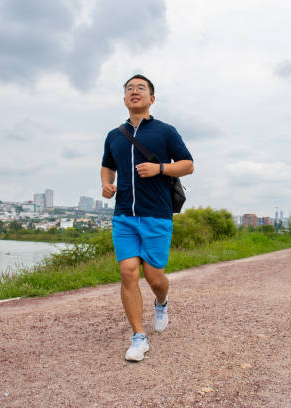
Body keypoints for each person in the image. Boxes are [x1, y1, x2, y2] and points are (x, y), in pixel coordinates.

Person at [101, 74, 194, 362]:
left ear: (151, 98)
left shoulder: (165, 131)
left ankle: (162, 302)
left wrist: (160, 169)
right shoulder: (114, 135)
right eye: (129, 89)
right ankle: (138, 337)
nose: (134, 91)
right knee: (128, 271)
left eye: (141, 88)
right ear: (124, 98)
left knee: (154, 277)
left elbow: (188, 165)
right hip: (124, 216)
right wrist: (106, 184)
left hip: (156, 215)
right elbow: (107, 166)